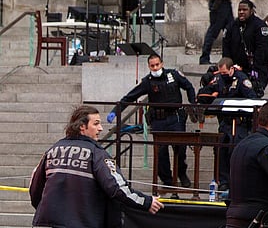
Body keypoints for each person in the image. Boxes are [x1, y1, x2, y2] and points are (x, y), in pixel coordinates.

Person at [29, 105, 164, 227]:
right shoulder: (97, 154)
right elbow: (117, 188)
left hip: (45, 222)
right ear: (82, 126)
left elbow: (34, 189)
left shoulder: (52, 150)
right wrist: (146, 202)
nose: (100, 128)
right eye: (96, 124)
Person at [106, 54, 196, 188]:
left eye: (157, 65)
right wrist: (115, 111)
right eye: (152, 66)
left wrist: (193, 103)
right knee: (161, 152)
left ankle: (181, 174)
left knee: (180, 148)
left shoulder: (173, 75)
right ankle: (167, 180)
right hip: (158, 120)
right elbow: (130, 96)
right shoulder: (147, 81)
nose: (155, 68)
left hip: (176, 117)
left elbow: (189, 87)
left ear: (162, 64)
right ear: (149, 66)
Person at [214, 57, 257, 192]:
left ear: (232, 69)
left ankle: (239, 180)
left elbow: (252, 98)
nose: (223, 76)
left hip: (239, 123)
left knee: (236, 150)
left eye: (225, 73)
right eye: (221, 73)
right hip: (225, 122)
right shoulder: (219, 79)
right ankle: (224, 181)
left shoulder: (241, 80)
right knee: (220, 150)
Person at [222, 0, 268, 98]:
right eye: (239, 10)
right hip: (237, 69)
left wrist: (256, 69)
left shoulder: (259, 26)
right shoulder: (232, 26)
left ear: (251, 11)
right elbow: (226, 47)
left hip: (256, 69)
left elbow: (263, 49)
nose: (241, 12)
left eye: (244, 10)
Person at [199, 0, 242, 65]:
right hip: (219, 4)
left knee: (231, 32)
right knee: (213, 32)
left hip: (225, 3)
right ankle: (204, 57)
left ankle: (229, 58)